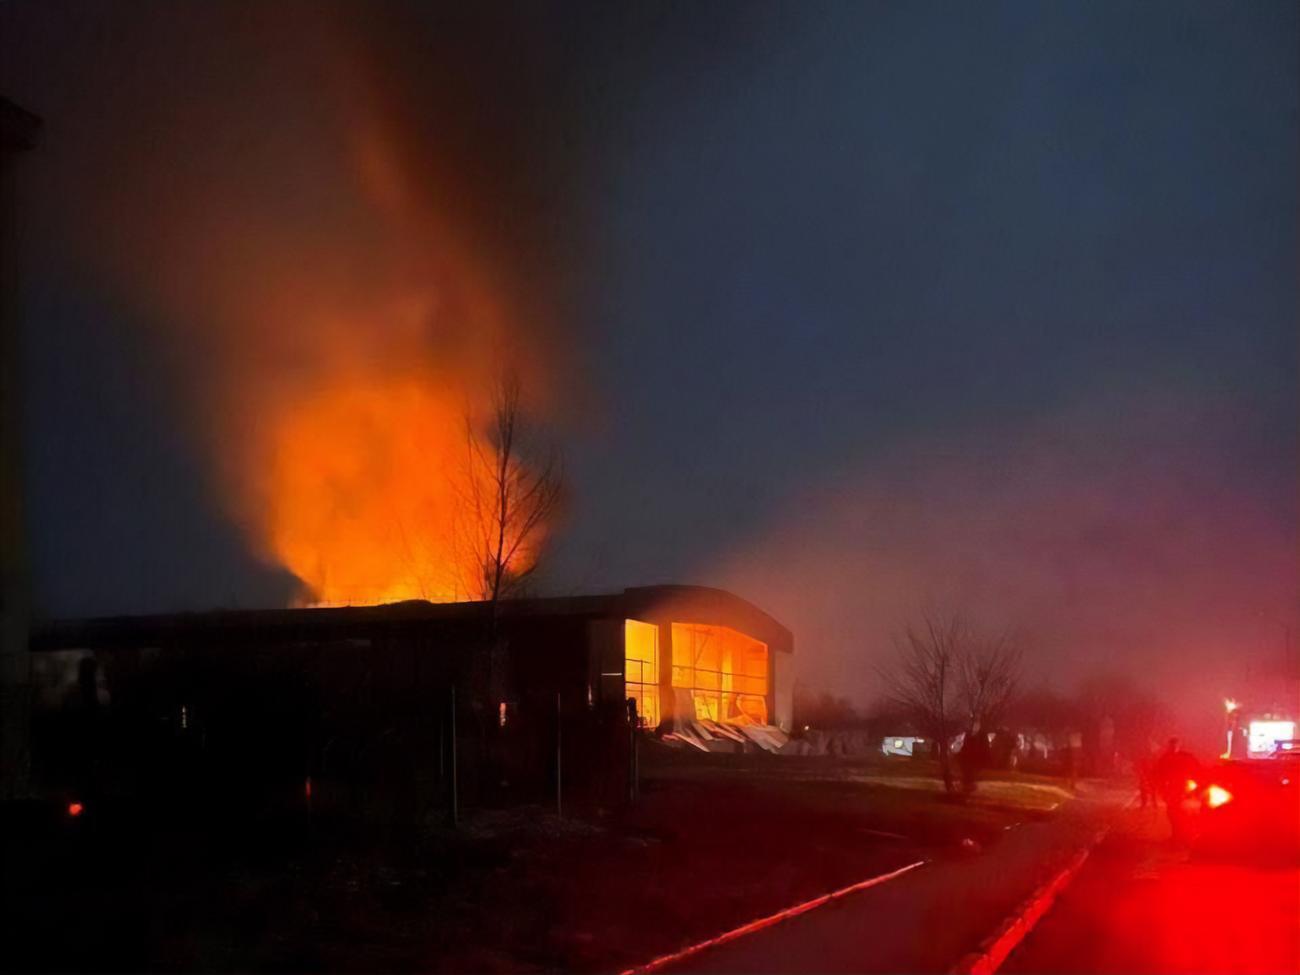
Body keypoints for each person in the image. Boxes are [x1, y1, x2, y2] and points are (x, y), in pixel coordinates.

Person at [1153, 736, 1200, 846]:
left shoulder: (1185, 757)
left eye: (1175, 745)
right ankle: (1177, 836)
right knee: (1173, 813)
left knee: (1179, 813)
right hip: (1172, 789)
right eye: (1171, 746)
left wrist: (1194, 785)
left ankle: (1182, 837)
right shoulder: (1165, 759)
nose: (1173, 748)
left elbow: (1196, 769)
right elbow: (1159, 774)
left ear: (1179, 746)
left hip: (1183, 789)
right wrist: (1161, 788)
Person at [959, 725, 991, 794]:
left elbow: (985, 746)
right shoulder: (969, 734)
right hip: (969, 757)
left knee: (971, 771)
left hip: (976, 757)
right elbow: (965, 745)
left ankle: (969, 785)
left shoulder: (982, 734)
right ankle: (967, 785)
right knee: (968, 771)